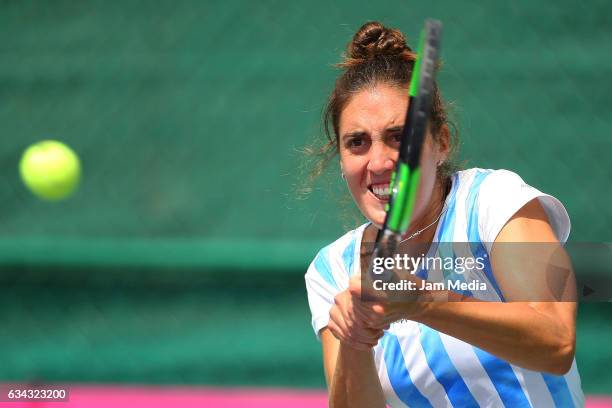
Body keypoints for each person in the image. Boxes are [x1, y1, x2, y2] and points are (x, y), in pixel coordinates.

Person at [304, 21, 584, 407]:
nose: (380, 161)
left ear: (441, 143)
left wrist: (421, 300)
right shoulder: (331, 270)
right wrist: (355, 339)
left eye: (399, 137)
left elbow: (556, 342)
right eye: (357, 143)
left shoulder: (494, 202)